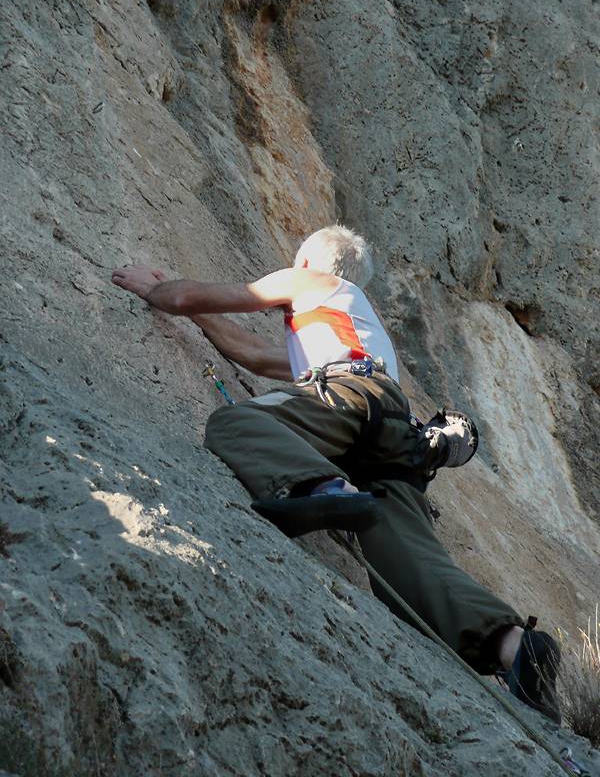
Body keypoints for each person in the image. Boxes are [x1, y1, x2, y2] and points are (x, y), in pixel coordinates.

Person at [111, 225, 561, 722]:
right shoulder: (348, 328)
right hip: (394, 435)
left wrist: (156, 288)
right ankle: (513, 646)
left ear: (305, 262)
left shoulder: (309, 282)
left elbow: (199, 296)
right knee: (407, 562)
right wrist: (197, 318)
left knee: (235, 422)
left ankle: (324, 486)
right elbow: (252, 354)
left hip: (348, 398)